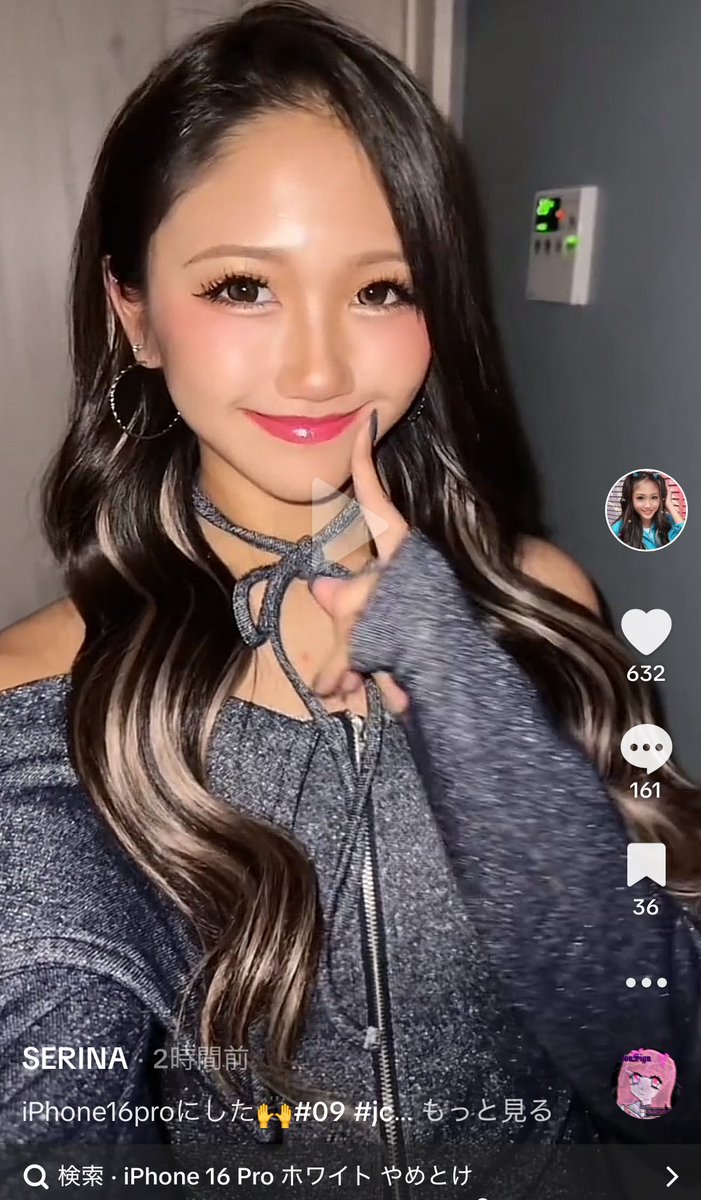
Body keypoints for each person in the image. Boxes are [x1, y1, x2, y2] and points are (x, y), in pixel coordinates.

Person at [1, 3, 701, 1198]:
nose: (322, 368)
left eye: (382, 289)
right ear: (134, 313)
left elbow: (664, 1073)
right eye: (242, 287)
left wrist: (454, 673)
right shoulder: (41, 689)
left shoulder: (538, 599)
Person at [610, 471, 686, 550]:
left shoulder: (668, 520)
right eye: (640, 498)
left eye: (654, 497)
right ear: (630, 499)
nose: (648, 505)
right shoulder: (618, 530)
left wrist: (669, 505)